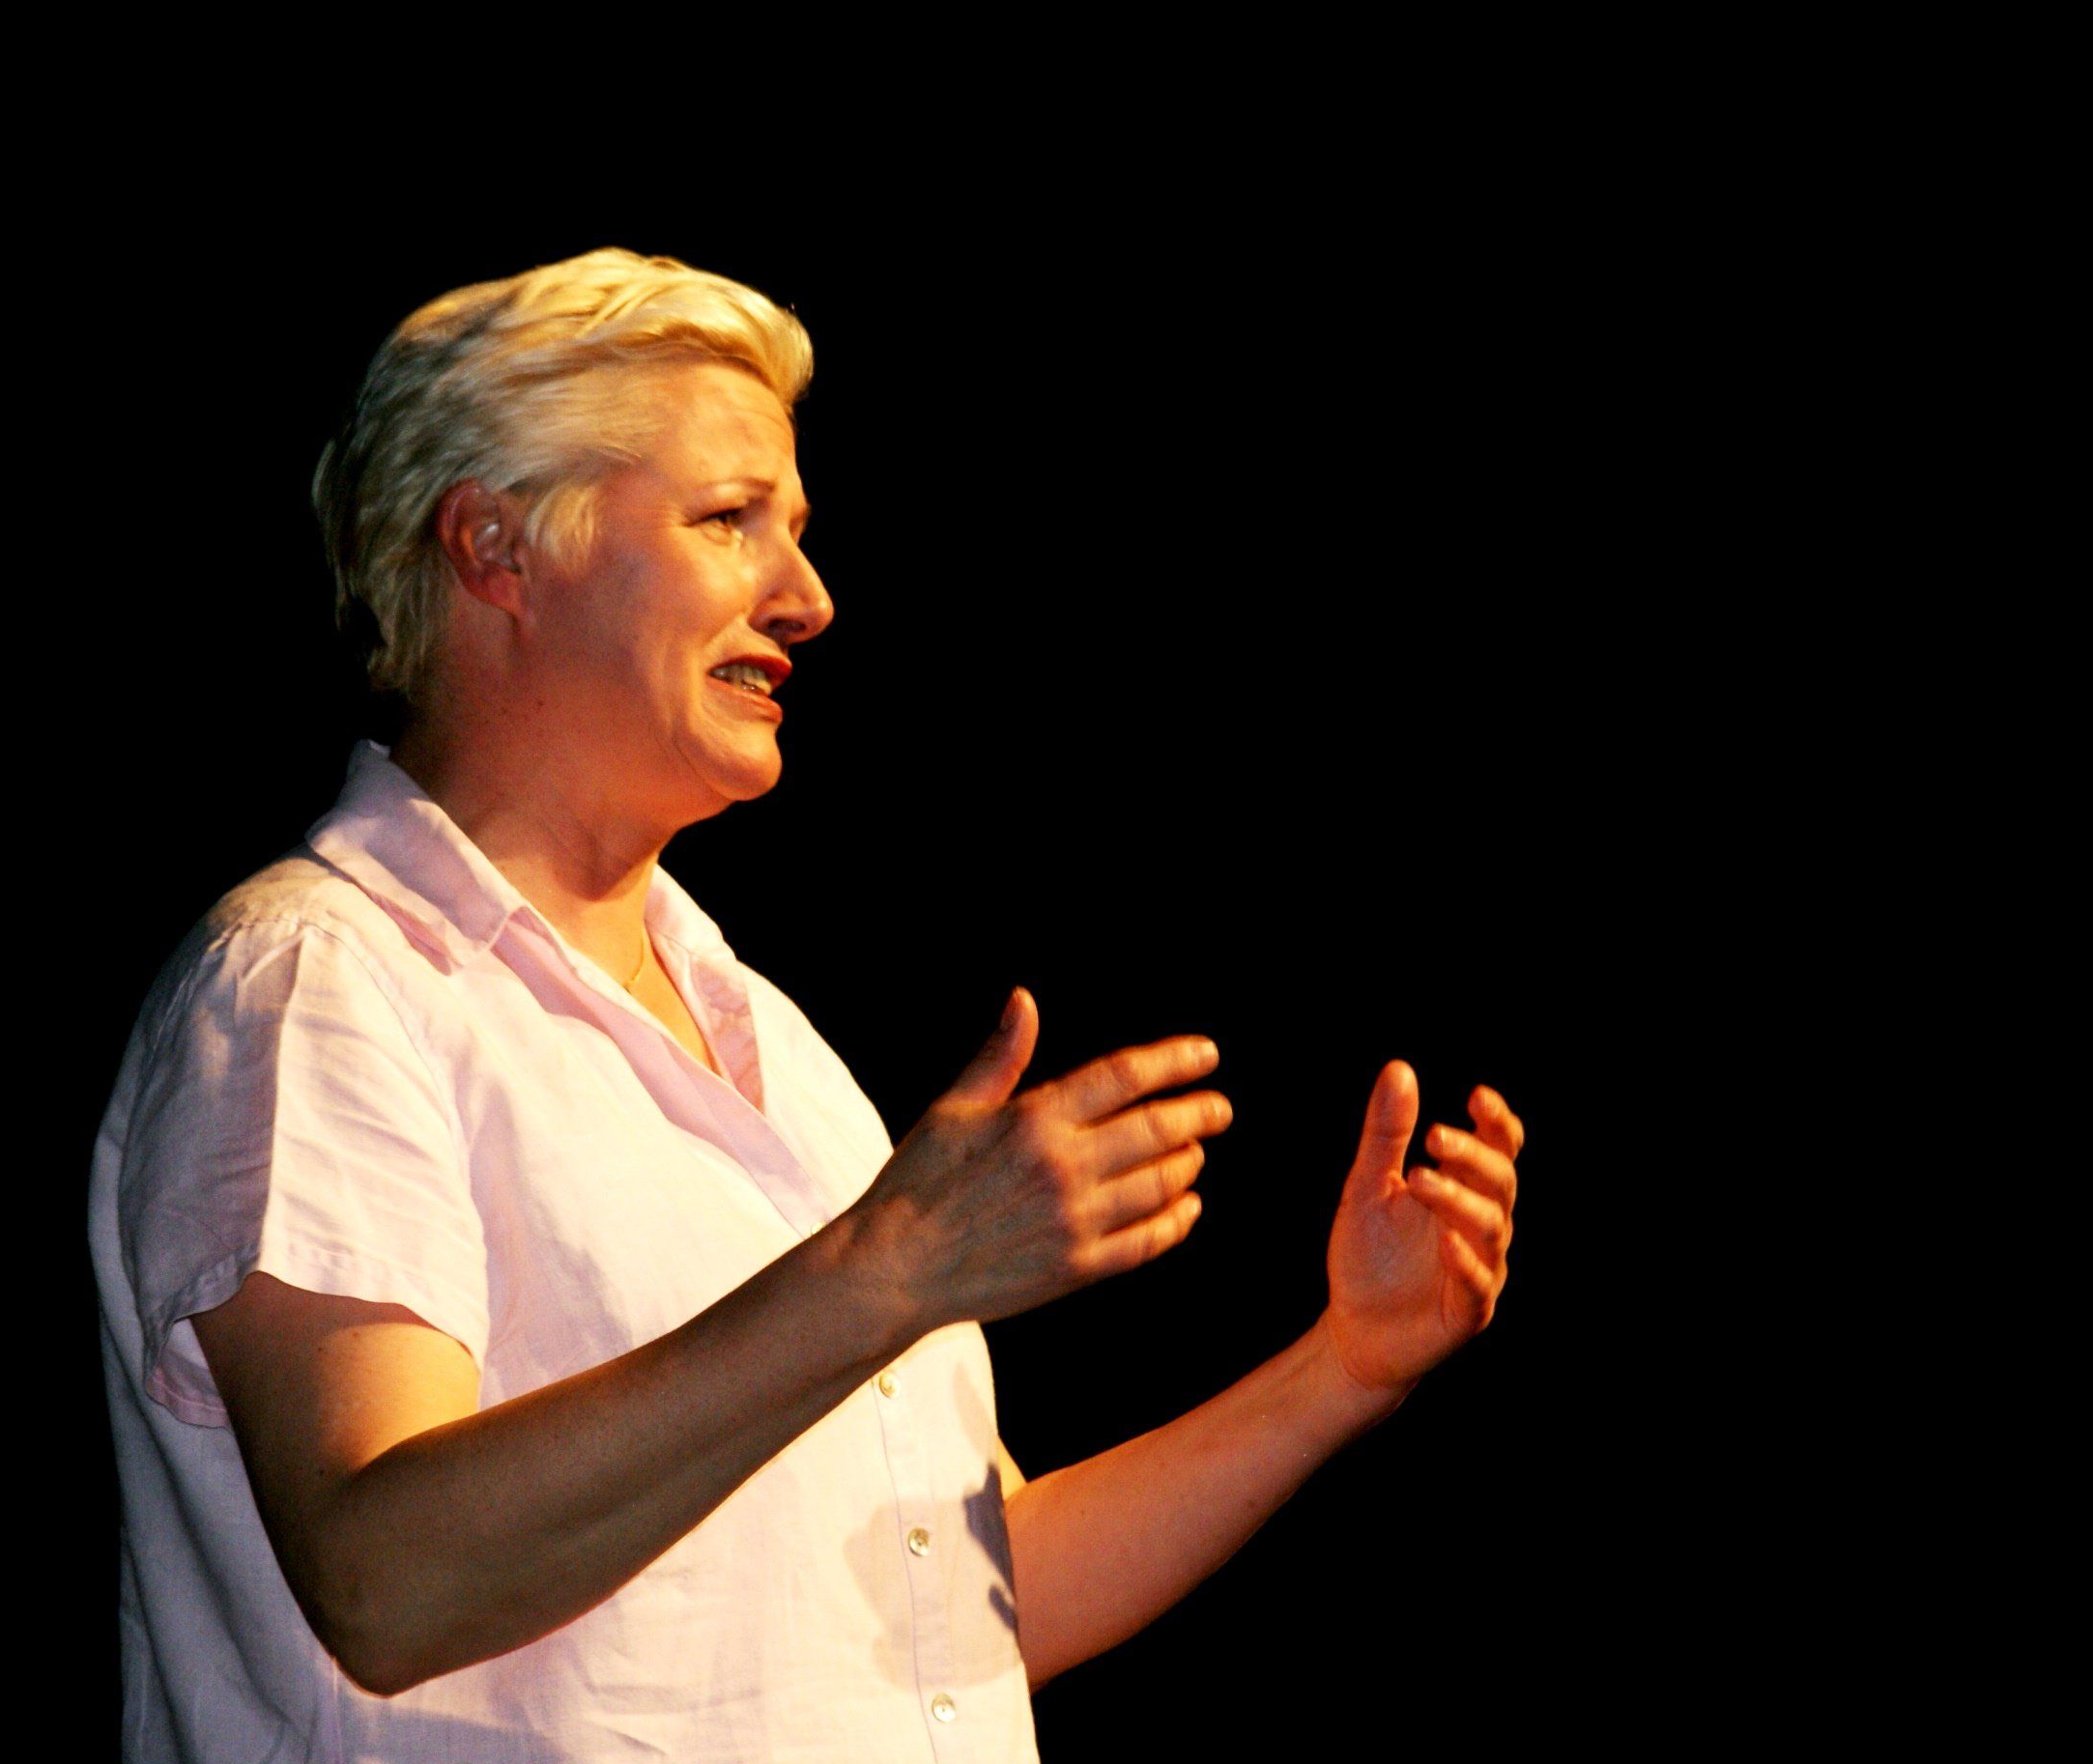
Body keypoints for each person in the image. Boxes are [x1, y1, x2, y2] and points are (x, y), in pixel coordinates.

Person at [89, 248, 1525, 1762]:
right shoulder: (321, 982)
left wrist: (1341, 1369)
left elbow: (962, 1613)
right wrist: (882, 1274)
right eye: (730, 521)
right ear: (498, 549)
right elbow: (388, 1582)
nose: (810, 599)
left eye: (799, 534)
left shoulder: (768, 1043)